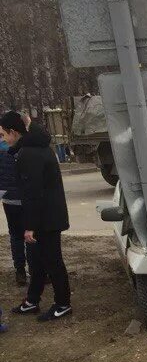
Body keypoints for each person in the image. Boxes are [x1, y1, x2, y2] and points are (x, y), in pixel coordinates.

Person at [0, 111, 72, 322]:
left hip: (46, 219)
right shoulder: (33, 146)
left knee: (52, 261)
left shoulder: (29, 154)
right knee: (36, 260)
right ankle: (32, 300)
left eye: (3, 134)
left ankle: (63, 303)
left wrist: (30, 226)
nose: (3, 139)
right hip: (45, 215)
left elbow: (33, 193)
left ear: (14, 132)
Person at [0, 123, 28, 286]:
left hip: (9, 200)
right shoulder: (22, 148)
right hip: (26, 199)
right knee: (33, 234)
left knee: (16, 236)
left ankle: (20, 272)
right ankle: (39, 270)